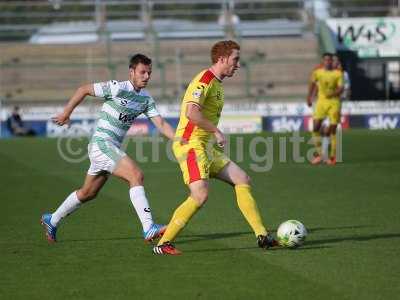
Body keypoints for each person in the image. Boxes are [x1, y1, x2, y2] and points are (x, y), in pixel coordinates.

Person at [152, 40, 277, 255]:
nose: (238, 65)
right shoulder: (205, 80)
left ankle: (262, 235)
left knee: (242, 179)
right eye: (235, 59)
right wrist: (216, 131)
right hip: (190, 145)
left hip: (206, 148)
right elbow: (192, 112)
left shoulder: (217, 84)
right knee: (200, 194)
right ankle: (163, 244)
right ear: (222, 59)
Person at [41, 54, 175, 243]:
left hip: (108, 148)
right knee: (136, 175)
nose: (146, 76)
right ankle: (148, 228)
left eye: (149, 73)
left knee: (88, 193)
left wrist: (179, 139)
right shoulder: (117, 87)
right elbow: (83, 89)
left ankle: (52, 219)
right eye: (142, 72)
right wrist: (66, 113)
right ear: (132, 72)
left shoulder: (145, 99)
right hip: (102, 145)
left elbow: (160, 124)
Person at [306, 53, 343, 166]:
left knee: (332, 129)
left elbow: (341, 88)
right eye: (325, 60)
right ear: (323, 61)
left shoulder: (338, 73)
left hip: (334, 103)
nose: (328, 62)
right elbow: (312, 83)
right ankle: (320, 155)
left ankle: (332, 157)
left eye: (330, 60)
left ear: (332, 61)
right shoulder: (318, 72)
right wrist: (309, 96)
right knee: (316, 127)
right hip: (321, 102)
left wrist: (332, 93)